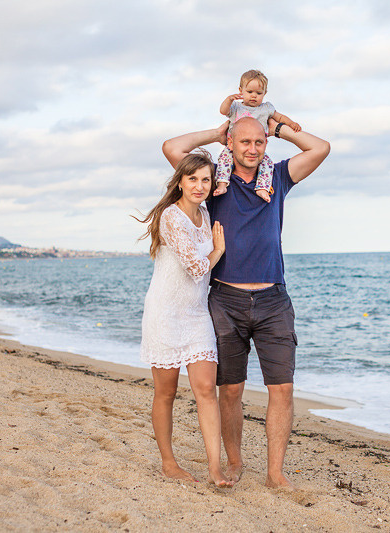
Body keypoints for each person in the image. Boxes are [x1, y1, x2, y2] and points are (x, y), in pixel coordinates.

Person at [162, 116, 330, 488]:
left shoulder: (280, 178)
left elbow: (320, 148)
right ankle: (235, 462)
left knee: (282, 388)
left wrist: (279, 128)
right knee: (231, 389)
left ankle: (275, 473)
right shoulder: (214, 185)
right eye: (244, 142)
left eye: (259, 142)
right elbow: (173, 148)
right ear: (232, 143)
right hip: (226, 300)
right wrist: (215, 132)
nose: (252, 149)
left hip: (273, 300)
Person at [135, 151, 233, 488]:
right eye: (193, 179)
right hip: (164, 313)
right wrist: (218, 251)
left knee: (206, 389)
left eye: (206, 179)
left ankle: (215, 468)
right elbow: (195, 267)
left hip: (195, 314)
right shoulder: (170, 218)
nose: (200, 185)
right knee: (166, 393)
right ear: (180, 181)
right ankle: (168, 462)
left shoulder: (206, 213)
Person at [214, 69, 301, 203]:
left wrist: (291, 123)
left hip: (256, 151)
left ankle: (262, 187)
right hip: (233, 147)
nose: (254, 96)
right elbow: (223, 111)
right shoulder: (236, 107)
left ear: (265, 93)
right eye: (249, 92)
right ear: (240, 90)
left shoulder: (265, 108)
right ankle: (222, 183)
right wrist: (229, 99)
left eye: (258, 93)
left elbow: (280, 117)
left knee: (267, 164)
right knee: (224, 161)